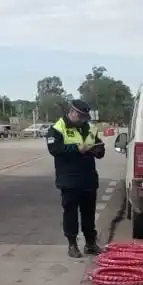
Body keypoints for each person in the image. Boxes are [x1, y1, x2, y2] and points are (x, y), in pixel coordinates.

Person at [46, 99, 106, 258]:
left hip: (88, 179)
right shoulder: (57, 129)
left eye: (85, 117)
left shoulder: (89, 128)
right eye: (80, 116)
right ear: (71, 112)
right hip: (69, 179)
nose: (82, 120)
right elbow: (55, 150)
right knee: (70, 213)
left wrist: (97, 150)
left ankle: (90, 243)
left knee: (89, 214)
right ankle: (72, 245)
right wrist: (78, 149)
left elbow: (99, 148)